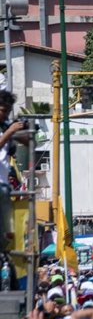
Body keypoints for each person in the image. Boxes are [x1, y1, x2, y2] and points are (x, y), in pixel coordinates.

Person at [0, 91, 27, 252]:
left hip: (4, 181)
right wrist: (10, 132)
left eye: (8, 111)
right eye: (3, 110)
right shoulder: (6, 130)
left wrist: (24, 131)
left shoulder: (5, 126)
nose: (5, 115)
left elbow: (30, 143)